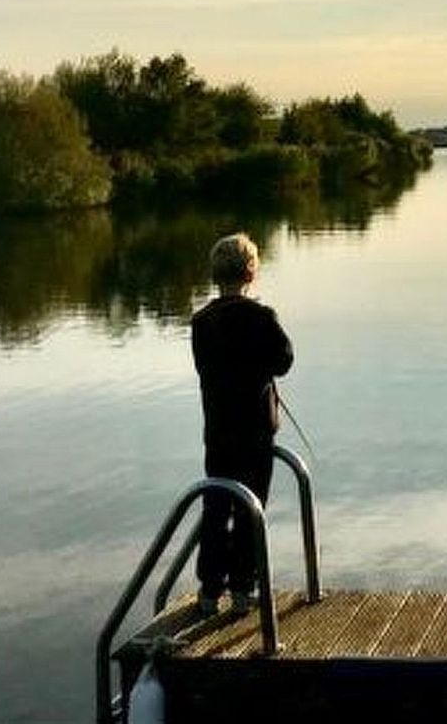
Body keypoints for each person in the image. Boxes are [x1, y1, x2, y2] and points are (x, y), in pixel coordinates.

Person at [190, 232, 293, 616]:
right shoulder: (262, 317)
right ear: (251, 272)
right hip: (255, 433)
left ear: (215, 275)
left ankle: (208, 590)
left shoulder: (201, 321)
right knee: (252, 509)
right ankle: (241, 590)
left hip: (218, 431)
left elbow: (206, 367)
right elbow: (284, 360)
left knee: (216, 507)